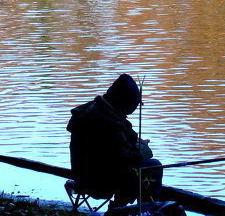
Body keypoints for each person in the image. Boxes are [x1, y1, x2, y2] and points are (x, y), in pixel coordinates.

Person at [67, 73, 163, 206]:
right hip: (100, 184)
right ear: (124, 102)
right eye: (134, 104)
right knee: (153, 166)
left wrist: (135, 141)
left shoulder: (93, 109)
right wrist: (144, 148)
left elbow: (122, 139)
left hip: (81, 177)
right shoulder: (110, 123)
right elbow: (129, 158)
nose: (135, 109)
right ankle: (134, 210)